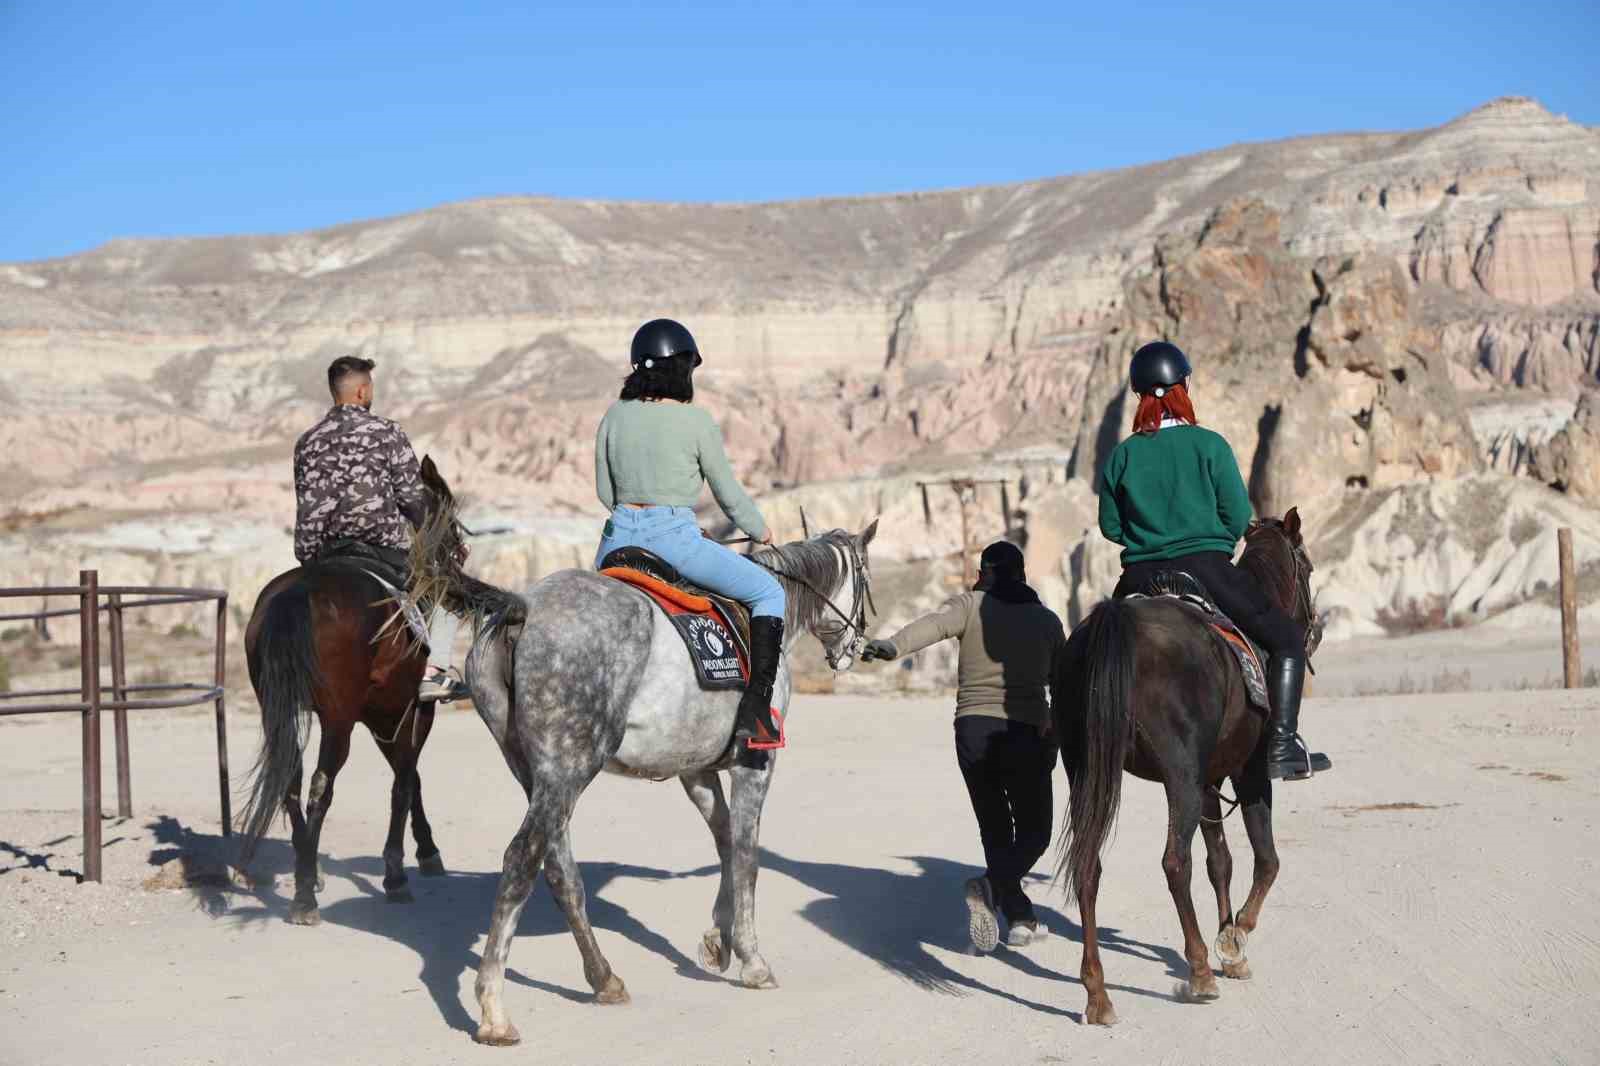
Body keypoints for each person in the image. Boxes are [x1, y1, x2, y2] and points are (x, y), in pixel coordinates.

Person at [1098, 340, 1330, 781]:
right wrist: (1211, 540)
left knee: (1098, 645)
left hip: (1138, 577)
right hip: (1207, 569)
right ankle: (1281, 746)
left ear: (1140, 394)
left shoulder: (1122, 455)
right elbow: (1239, 517)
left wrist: (1148, 539)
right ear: (1184, 387)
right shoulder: (1208, 445)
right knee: (1284, 639)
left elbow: (1111, 527)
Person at [861, 541, 1064, 951]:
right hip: (1024, 730)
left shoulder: (969, 606)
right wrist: (1055, 735)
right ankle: (990, 886)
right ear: (1021, 574)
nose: (976, 580)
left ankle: (1020, 916)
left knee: (994, 827)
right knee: (1035, 833)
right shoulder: (1046, 619)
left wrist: (892, 646)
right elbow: (1063, 682)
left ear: (986, 574)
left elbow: (931, 625)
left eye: (980, 573)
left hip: (972, 730)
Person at [592, 319, 786, 749]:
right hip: (674, 541)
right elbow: (728, 495)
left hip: (615, 544)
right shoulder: (695, 422)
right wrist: (761, 529)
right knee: (769, 593)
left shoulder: (613, 416)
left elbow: (606, 492)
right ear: (680, 370)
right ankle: (756, 711)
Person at [293, 355, 468, 703]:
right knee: (444, 591)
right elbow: (412, 499)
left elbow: (307, 507)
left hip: (322, 556)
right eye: (370, 387)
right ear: (361, 391)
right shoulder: (387, 432)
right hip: (380, 550)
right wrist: (433, 541)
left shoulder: (307, 441)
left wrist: (309, 559)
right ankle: (433, 673)